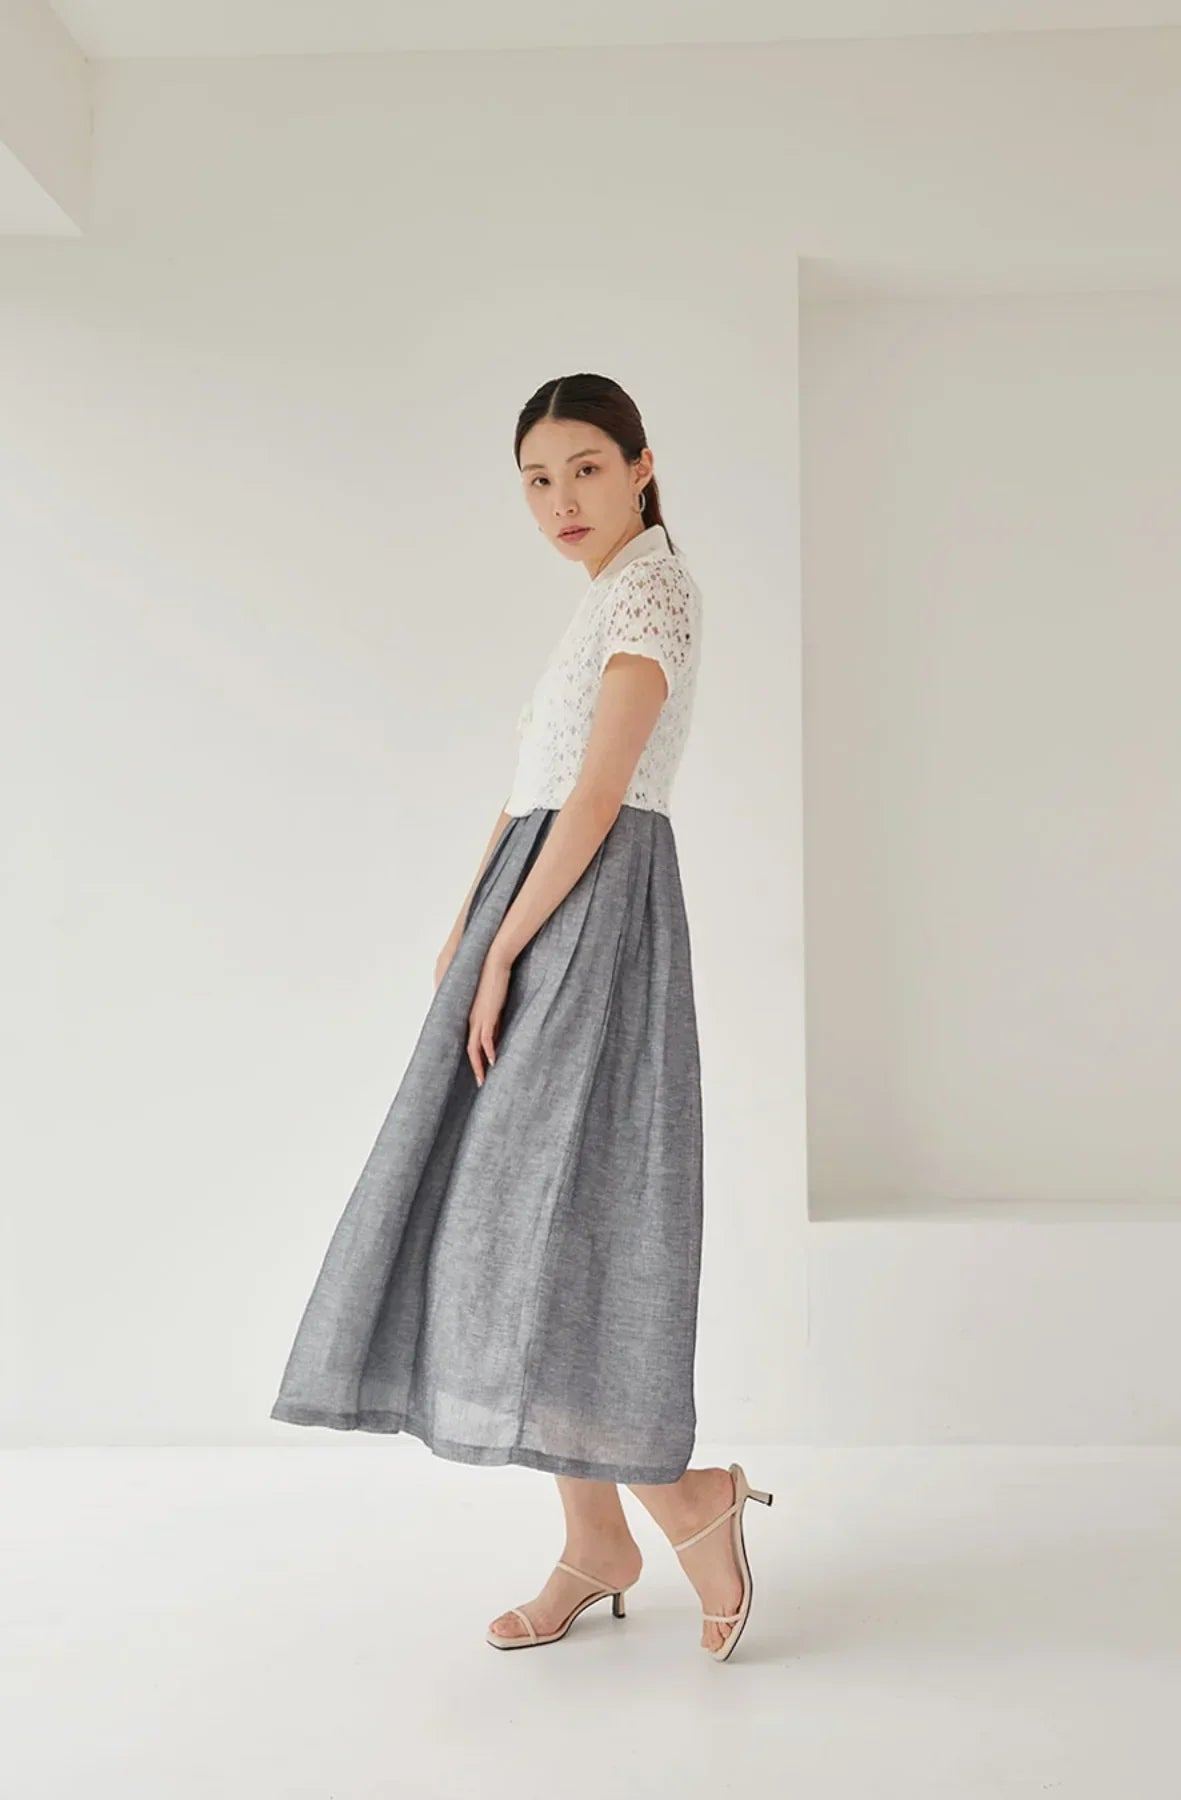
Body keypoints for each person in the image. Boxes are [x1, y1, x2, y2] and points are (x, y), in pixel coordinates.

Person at [269, 372, 773, 1661]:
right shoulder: (600, 602)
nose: (562, 500)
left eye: (588, 470)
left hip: (590, 921)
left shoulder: (656, 593)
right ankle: (598, 1537)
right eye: (538, 481)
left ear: (644, 467)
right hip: (536, 906)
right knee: (519, 1216)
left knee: (550, 1214)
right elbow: (529, 790)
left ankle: (684, 1502)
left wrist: (500, 946)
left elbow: (598, 801)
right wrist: (466, 932)